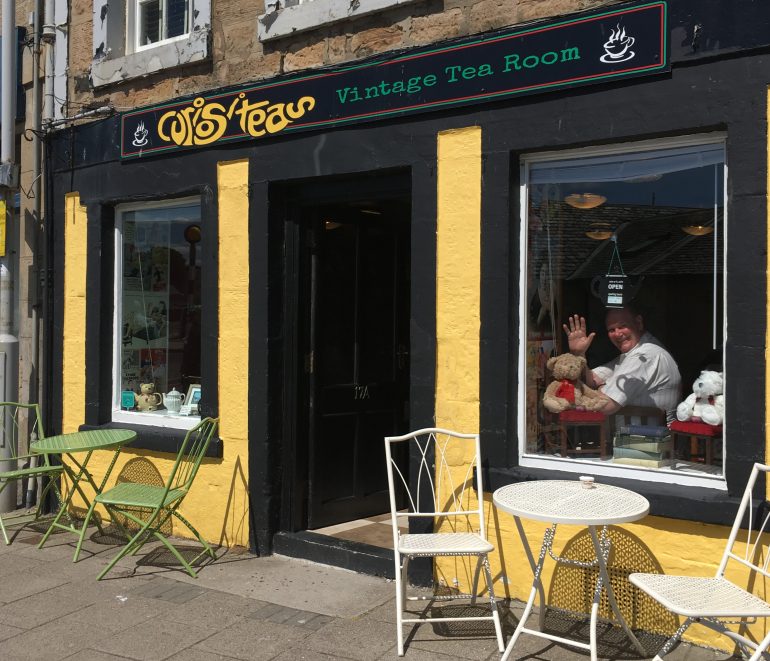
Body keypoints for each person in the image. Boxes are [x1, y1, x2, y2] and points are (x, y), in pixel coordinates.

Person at [562, 306, 681, 420]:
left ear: (638, 323)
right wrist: (578, 354)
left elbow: (605, 405)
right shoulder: (632, 355)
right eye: (611, 330)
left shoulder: (644, 356)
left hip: (645, 434)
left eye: (623, 326)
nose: (617, 334)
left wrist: (602, 388)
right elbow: (591, 381)